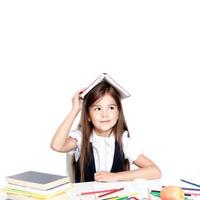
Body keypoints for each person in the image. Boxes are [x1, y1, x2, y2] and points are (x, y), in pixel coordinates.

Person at [51, 81, 161, 182]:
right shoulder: (80, 139)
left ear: (118, 113)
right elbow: (57, 146)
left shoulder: (123, 142)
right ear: (88, 115)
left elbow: (155, 171)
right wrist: (75, 110)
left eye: (111, 108)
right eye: (98, 109)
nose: (105, 114)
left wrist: (115, 176)